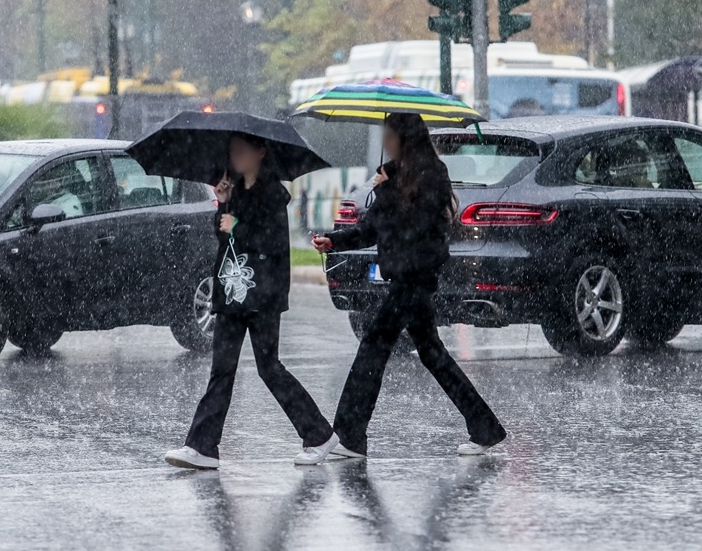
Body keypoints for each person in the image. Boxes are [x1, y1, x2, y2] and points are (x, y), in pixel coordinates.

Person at [313, 112, 507, 457]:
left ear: (406, 137)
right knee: (431, 353)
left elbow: (416, 227)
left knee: (373, 346)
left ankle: (350, 435)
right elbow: (371, 229)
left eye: (390, 135)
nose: (385, 142)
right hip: (403, 278)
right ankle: (484, 427)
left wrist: (385, 188)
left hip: (415, 277)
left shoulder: (432, 174)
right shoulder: (395, 174)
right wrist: (334, 241)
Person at [165, 133, 338, 470]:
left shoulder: (273, 194)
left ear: (261, 152)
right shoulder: (234, 190)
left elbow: (271, 244)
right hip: (232, 292)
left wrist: (238, 226)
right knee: (222, 370)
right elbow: (224, 236)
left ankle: (318, 434)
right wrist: (223, 203)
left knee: (268, 368)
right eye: (233, 151)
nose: (236, 156)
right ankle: (202, 447)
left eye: (242, 151)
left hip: (263, 294)